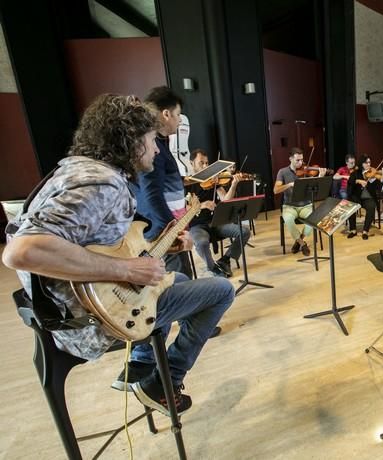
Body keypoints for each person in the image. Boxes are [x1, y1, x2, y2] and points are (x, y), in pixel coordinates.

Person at [2, 94, 235, 416]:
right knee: (221, 291)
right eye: (153, 139)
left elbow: (97, 243)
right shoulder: (103, 183)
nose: (156, 148)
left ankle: (141, 365)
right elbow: (22, 251)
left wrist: (159, 247)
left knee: (176, 277)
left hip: (74, 306)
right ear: (132, 140)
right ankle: (164, 381)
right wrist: (127, 270)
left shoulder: (76, 171)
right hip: (89, 321)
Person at [133, 86, 192, 278]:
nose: (179, 121)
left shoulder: (159, 143)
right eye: (178, 115)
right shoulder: (152, 148)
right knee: (180, 284)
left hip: (167, 227)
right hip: (163, 232)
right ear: (166, 114)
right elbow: (151, 195)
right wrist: (172, 232)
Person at [186, 149, 250, 277]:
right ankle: (213, 267)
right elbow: (183, 209)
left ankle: (225, 260)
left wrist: (233, 185)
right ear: (191, 164)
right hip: (197, 226)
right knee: (201, 242)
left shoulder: (213, 181)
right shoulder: (186, 184)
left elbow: (226, 200)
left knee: (244, 231)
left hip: (216, 223)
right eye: (201, 163)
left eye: (207, 163)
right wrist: (202, 205)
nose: (205, 166)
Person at [273, 147, 326, 255]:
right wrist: (289, 184)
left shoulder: (306, 171)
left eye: (302, 160)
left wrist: (320, 177)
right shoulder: (282, 172)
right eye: (297, 160)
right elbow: (275, 190)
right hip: (289, 206)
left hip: (305, 205)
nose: (301, 163)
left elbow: (316, 188)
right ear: (290, 159)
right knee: (288, 219)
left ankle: (299, 241)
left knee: (313, 220)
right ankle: (302, 243)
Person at [347, 155, 383, 240]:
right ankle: (353, 230)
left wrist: (378, 180)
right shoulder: (356, 173)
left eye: (369, 162)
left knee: (371, 206)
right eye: (366, 162)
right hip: (357, 197)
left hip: (368, 198)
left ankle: (365, 231)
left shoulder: (373, 173)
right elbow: (350, 182)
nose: (368, 164)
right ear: (361, 163)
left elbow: (378, 188)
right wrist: (358, 181)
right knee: (351, 205)